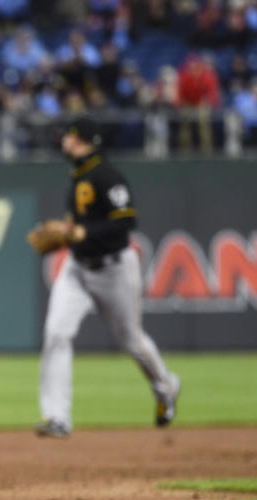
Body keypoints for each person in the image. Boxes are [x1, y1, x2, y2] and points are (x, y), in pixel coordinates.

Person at [30, 117, 179, 438]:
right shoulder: (78, 174)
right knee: (56, 333)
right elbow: (79, 228)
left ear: (84, 140)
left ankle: (166, 386)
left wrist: (81, 231)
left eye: (69, 136)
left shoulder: (107, 174)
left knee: (132, 342)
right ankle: (57, 417)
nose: (64, 141)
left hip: (114, 269)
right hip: (77, 269)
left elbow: (126, 221)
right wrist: (68, 234)